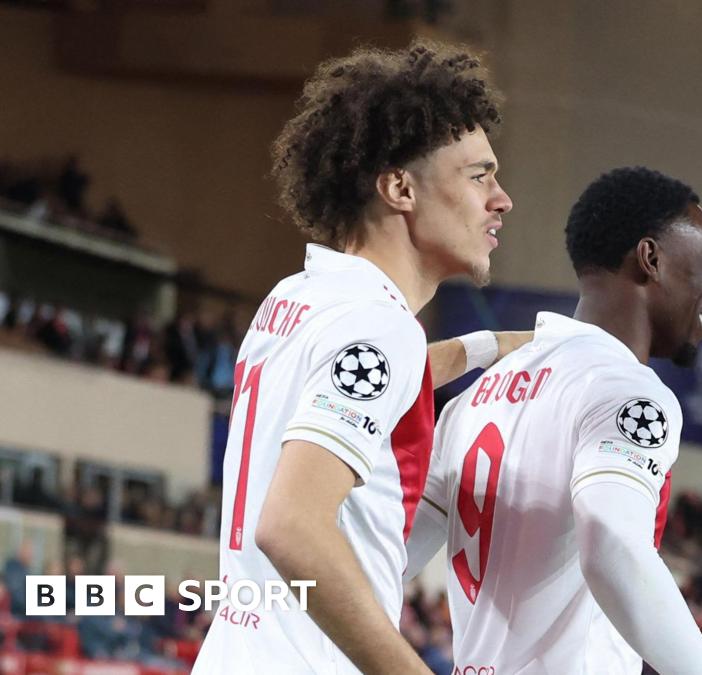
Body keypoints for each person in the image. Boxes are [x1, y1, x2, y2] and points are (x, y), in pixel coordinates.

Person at [193, 41, 530, 675]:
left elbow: (373, 382)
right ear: (400, 187)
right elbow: (291, 526)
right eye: (478, 175)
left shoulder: (296, 298)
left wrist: (488, 347)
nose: (501, 199)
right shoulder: (380, 327)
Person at [404, 167, 702, 674]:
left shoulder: (477, 396)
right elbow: (613, 547)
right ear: (651, 259)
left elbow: (390, 558)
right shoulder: (626, 388)